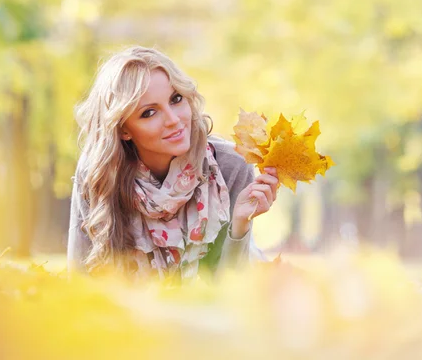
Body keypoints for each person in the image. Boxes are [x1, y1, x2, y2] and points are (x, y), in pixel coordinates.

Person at [67, 46, 279, 282]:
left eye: (176, 99)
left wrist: (239, 225)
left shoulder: (231, 166)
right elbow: (80, 279)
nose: (174, 120)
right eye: (149, 113)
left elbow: (229, 290)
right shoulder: (98, 173)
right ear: (124, 129)